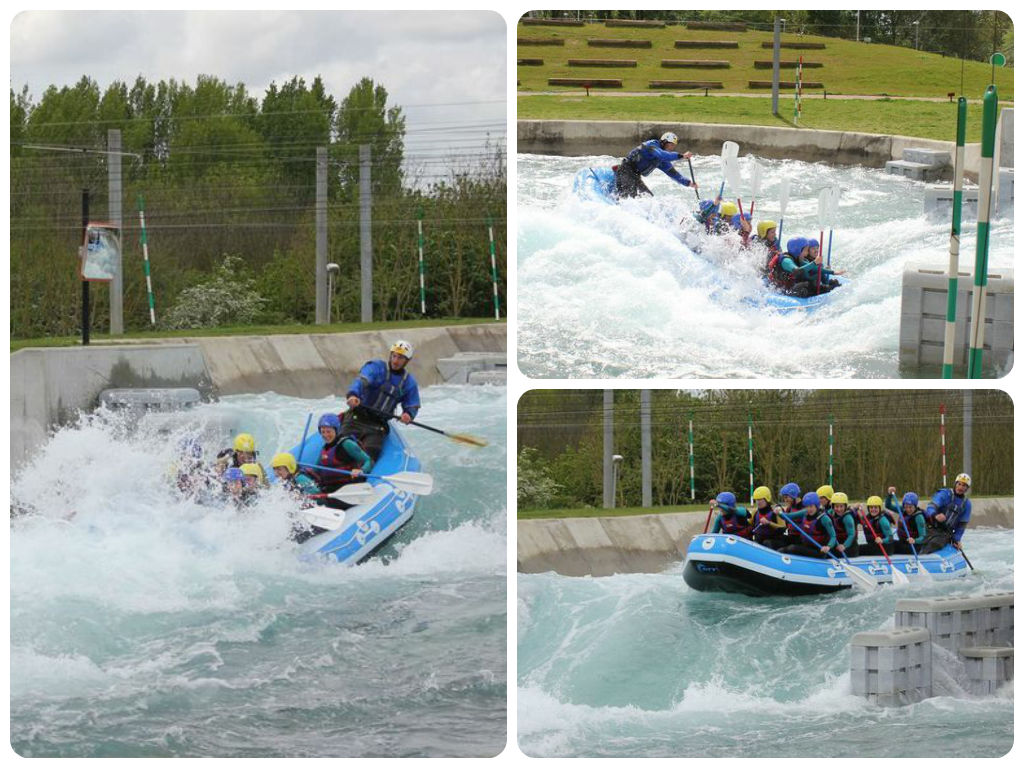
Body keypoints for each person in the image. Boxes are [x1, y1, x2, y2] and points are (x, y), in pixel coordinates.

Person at [342, 340, 421, 460]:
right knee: (340, 450)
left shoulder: (409, 382)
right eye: (394, 356)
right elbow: (361, 381)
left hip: (378, 426)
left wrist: (408, 414)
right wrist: (353, 395)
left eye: (400, 358)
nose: (395, 361)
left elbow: (412, 404)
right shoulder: (376, 367)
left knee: (368, 459)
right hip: (357, 417)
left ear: (407, 361)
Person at [613, 132, 697, 199]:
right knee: (629, 199)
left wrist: (689, 183)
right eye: (670, 145)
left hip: (635, 176)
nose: (671, 148)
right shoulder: (652, 145)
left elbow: (674, 174)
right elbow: (662, 154)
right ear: (664, 142)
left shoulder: (661, 160)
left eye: (673, 146)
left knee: (649, 199)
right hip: (625, 171)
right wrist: (681, 156)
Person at [311, 413, 374, 497]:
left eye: (329, 431)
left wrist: (361, 470)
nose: (326, 435)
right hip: (329, 489)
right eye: (323, 432)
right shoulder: (325, 449)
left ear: (336, 430)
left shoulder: (347, 444)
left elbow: (369, 461)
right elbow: (316, 470)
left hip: (347, 489)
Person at [920, 472, 972, 554]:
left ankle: (922, 557)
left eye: (964, 486)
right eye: (959, 484)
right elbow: (930, 508)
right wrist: (935, 515)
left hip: (944, 533)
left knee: (934, 544)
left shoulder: (967, 504)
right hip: (930, 527)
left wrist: (957, 539)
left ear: (967, 488)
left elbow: (962, 526)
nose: (960, 487)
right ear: (955, 484)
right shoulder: (944, 494)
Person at [778, 492, 836, 558]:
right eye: (807, 506)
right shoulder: (805, 512)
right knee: (784, 539)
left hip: (819, 550)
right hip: (806, 546)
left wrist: (828, 547)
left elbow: (833, 536)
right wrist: (779, 513)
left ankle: (777, 556)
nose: (809, 509)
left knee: (792, 548)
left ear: (816, 505)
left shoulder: (824, 518)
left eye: (811, 506)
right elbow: (789, 516)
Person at [889, 490, 928, 555]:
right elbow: (888, 505)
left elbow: (923, 537)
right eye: (906, 507)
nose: (908, 509)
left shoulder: (919, 517)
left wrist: (914, 540)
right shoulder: (902, 510)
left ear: (915, 506)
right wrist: (890, 495)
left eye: (910, 507)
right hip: (903, 542)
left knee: (890, 546)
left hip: (914, 546)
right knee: (889, 543)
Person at [829, 492, 859, 557]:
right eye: (836, 506)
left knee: (832, 553)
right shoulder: (831, 512)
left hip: (850, 547)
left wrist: (844, 546)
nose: (839, 509)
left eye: (841, 506)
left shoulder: (847, 518)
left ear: (845, 506)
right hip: (838, 544)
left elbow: (851, 535)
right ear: (833, 506)